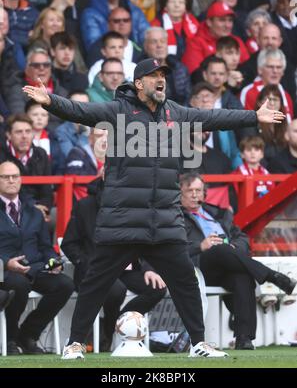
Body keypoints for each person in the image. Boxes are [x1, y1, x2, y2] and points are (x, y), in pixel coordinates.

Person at [23, 57, 285, 359]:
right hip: (122, 221)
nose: (161, 79)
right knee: (96, 283)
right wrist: (50, 101)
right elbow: (81, 111)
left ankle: (198, 343)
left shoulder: (176, 112)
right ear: (138, 83)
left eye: (163, 74)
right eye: (153, 75)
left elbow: (215, 117)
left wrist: (253, 115)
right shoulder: (118, 110)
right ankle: (75, 344)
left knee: (185, 281)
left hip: (163, 221)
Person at [181, 172, 296, 350]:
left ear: (205, 193)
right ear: (180, 193)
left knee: (241, 275)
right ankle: (273, 277)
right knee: (219, 248)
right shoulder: (176, 218)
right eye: (190, 190)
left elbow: (241, 238)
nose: (195, 194)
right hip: (200, 268)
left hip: (227, 263)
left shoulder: (218, 214)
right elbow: (173, 249)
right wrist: (200, 245)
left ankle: (244, 338)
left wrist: (235, 248)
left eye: (199, 190)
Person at [62, 178, 167, 351]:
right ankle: (108, 333)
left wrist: (149, 268)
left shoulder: (134, 204)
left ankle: (114, 323)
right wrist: (86, 263)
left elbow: (144, 241)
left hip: (126, 268)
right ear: (104, 174)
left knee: (157, 288)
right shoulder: (85, 206)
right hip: (95, 269)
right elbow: (69, 244)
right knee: (116, 290)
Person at [0, 160, 74, 355]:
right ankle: (9, 339)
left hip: (35, 269)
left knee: (65, 285)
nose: (10, 180)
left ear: (20, 180)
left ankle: (28, 334)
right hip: (5, 271)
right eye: (5, 177)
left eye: (14, 176)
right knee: (19, 284)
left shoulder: (34, 212)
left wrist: (54, 261)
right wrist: (7, 263)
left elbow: (45, 247)